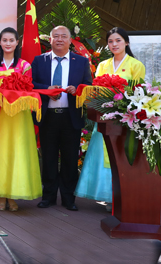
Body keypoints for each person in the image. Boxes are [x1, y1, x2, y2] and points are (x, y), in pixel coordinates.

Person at [75, 27, 144, 204]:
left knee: (120, 154)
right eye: (110, 41)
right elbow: (96, 91)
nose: (114, 44)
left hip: (124, 120)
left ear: (126, 42)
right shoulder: (102, 65)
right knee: (102, 154)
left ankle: (120, 197)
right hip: (104, 118)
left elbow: (138, 94)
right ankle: (105, 196)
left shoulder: (136, 65)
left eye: (118, 40)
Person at [0, 27, 40, 212]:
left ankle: (13, 195)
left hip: (19, 117)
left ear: (17, 42)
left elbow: (28, 91)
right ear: (0, 42)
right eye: (4, 40)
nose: (7, 43)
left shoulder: (24, 66)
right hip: (0, 116)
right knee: (0, 153)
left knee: (16, 152)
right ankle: (1, 195)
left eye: (11, 40)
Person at [33, 25, 92, 211]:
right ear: (49, 40)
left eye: (63, 36)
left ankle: (68, 198)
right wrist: (46, 90)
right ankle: (48, 196)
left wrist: (78, 90)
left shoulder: (81, 62)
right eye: (55, 36)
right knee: (48, 158)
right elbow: (31, 84)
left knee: (69, 159)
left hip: (70, 117)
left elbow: (88, 86)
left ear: (69, 40)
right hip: (48, 116)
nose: (59, 39)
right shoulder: (39, 60)